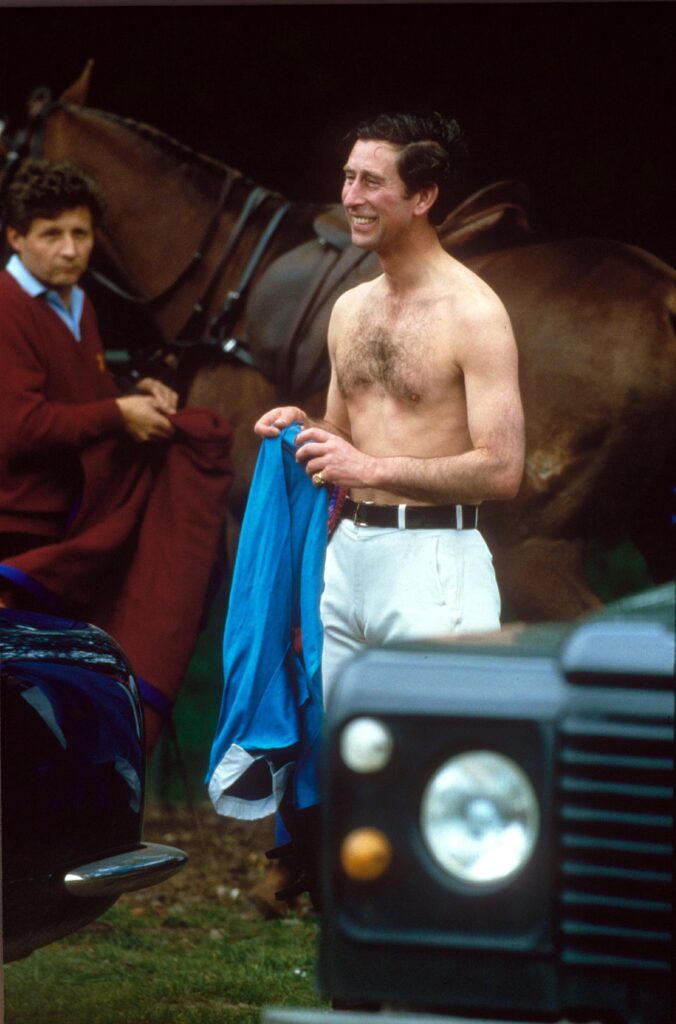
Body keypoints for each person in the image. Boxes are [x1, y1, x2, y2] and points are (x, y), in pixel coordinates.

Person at [255, 112, 525, 699]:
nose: (352, 197)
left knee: (433, 763)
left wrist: (369, 469)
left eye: (372, 182)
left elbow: (503, 469)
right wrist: (303, 427)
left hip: (434, 563)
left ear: (423, 196)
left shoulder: (473, 312)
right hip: (346, 558)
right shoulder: (349, 307)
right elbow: (342, 429)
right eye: (348, 178)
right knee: (346, 764)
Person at [0, 158, 233, 749]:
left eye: (81, 233)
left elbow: (78, 400)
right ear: (16, 237)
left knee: (58, 697)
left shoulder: (75, 301)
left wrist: (130, 397)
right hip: (20, 536)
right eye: (51, 234)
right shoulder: (7, 306)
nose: (70, 249)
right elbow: (20, 426)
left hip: (71, 523)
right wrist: (117, 415)